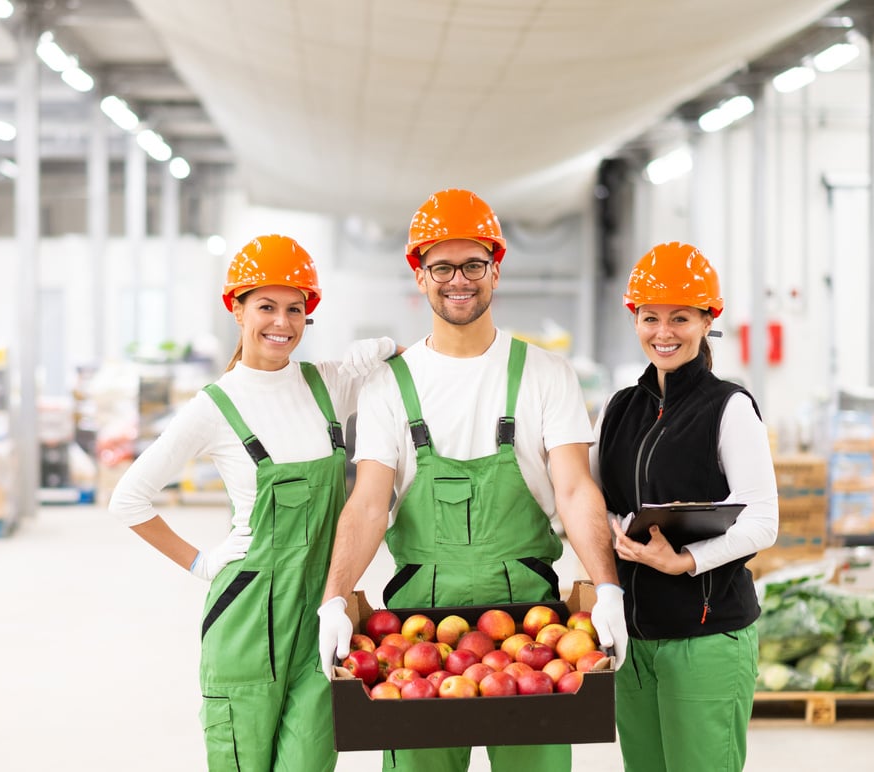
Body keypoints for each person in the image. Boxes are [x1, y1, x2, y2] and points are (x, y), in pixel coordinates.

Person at [316, 188, 627, 772]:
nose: (458, 279)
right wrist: (335, 600)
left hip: (534, 629)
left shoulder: (545, 374)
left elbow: (576, 489)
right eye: (441, 266)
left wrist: (605, 586)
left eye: (473, 264)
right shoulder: (390, 385)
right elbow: (366, 505)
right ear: (420, 274)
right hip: (409, 634)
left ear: (495, 269)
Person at [108, 234, 398, 772]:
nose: (281, 323)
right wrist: (201, 562)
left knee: (311, 757)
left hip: (324, 604)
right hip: (247, 610)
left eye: (295, 309)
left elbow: (413, 376)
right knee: (243, 760)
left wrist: (385, 349)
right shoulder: (215, 406)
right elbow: (129, 499)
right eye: (266, 306)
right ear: (236, 309)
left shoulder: (328, 384)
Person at [589, 241, 779, 772]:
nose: (663, 332)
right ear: (635, 319)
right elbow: (588, 495)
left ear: (706, 320)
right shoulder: (620, 407)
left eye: (680, 318)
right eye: (650, 317)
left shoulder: (730, 407)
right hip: (633, 638)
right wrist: (608, 526)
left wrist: (684, 561)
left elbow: (764, 522)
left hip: (706, 636)